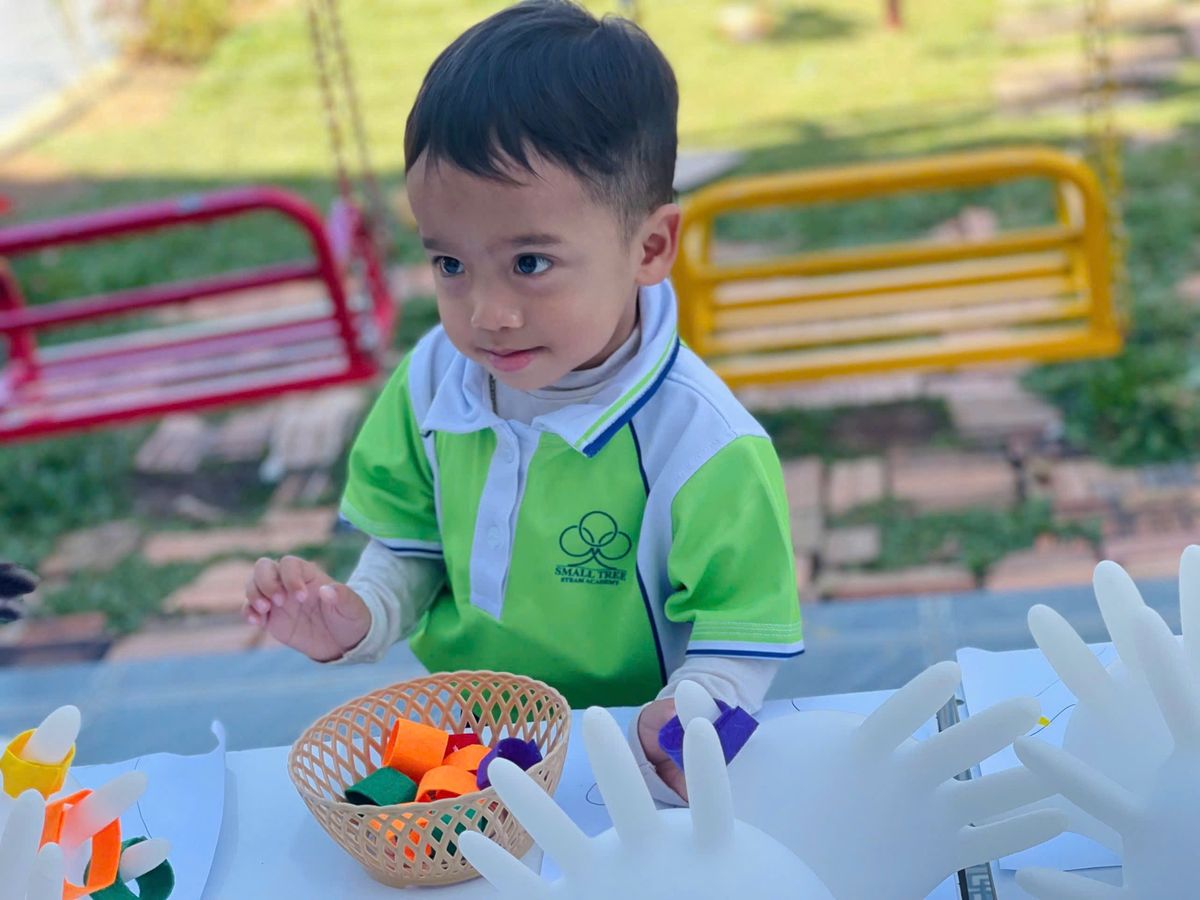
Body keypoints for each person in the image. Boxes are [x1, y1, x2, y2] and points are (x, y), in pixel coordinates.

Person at [243, 0, 802, 801]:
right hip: (471, 752)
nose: (486, 313)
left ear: (650, 247)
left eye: (530, 264)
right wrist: (359, 615)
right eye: (450, 265)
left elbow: (740, 636)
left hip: (633, 765)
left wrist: (691, 716)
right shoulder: (432, 382)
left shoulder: (704, 443)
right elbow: (412, 549)